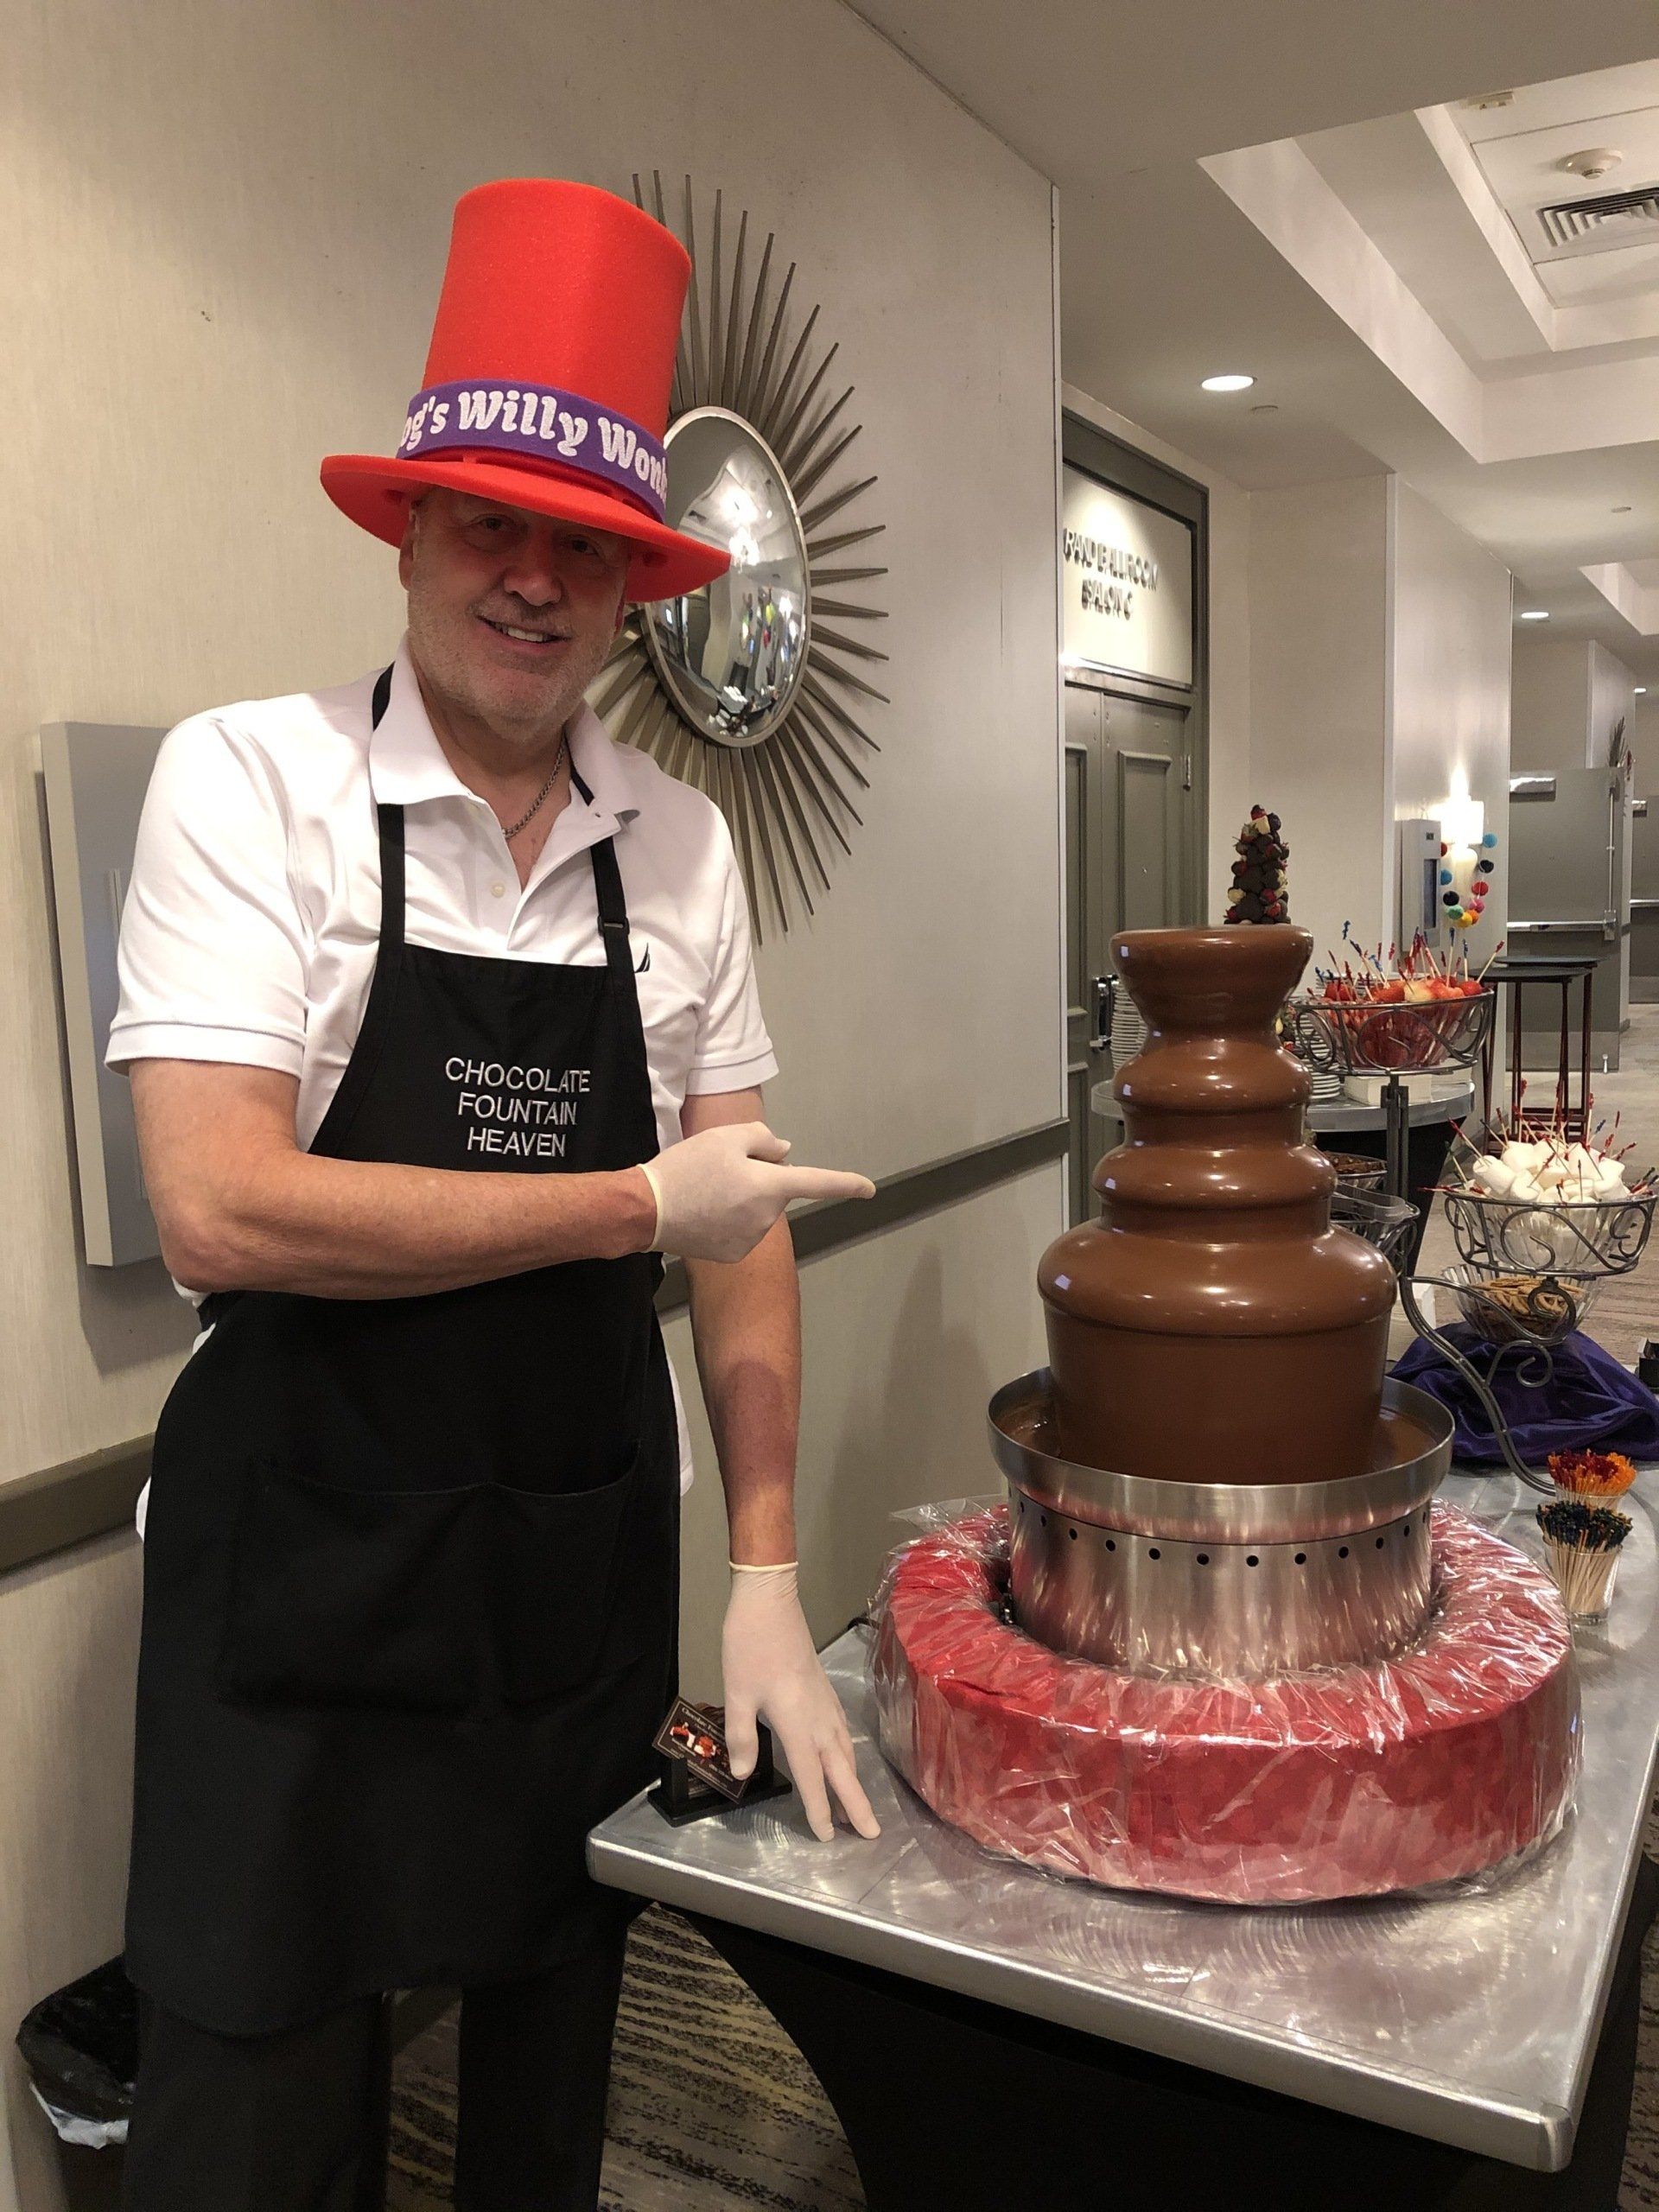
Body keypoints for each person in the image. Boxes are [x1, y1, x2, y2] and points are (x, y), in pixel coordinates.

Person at [106, 176, 880, 2212]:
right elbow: (223, 1207)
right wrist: (633, 1202)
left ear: (638, 585)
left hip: (557, 1592)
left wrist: (772, 1569)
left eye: (587, 546)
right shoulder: (250, 783)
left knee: (540, 2118)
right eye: (490, 523)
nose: (534, 579)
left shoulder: (687, 849)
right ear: (410, 531)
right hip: (290, 1598)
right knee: (250, 2140)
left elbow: (753, 1221)